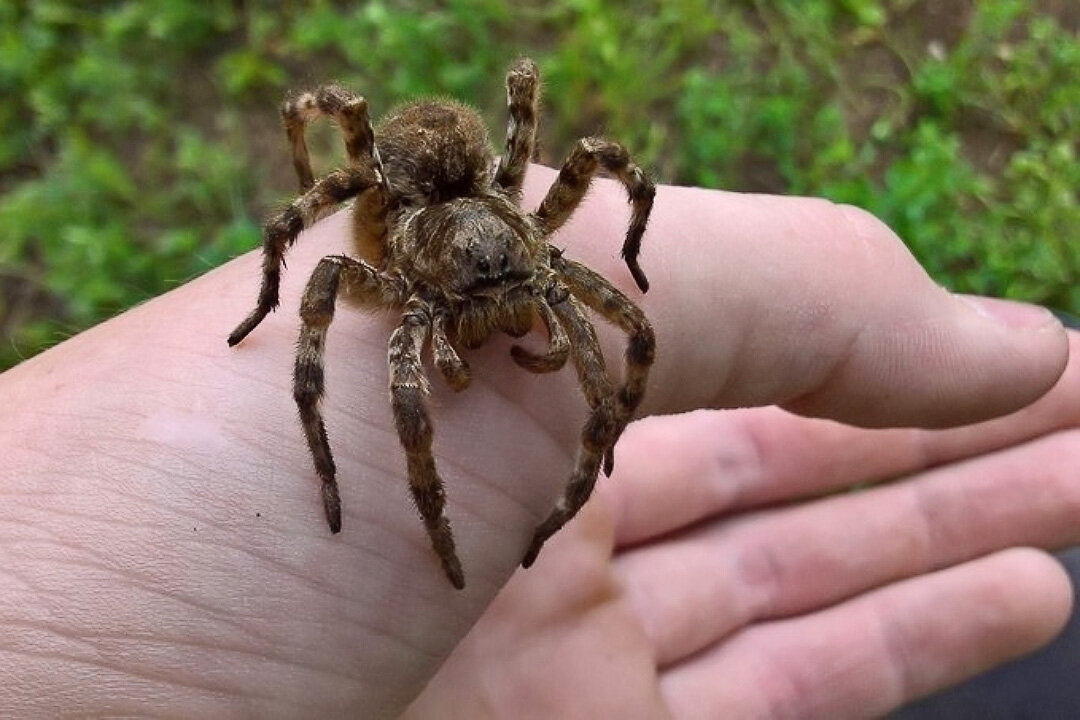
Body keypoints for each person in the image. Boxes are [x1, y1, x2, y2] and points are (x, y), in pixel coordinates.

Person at [0, 166, 1076, 718]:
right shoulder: (389, 273)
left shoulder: (540, 253)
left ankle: (578, 476)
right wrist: (320, 447)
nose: (506, 311)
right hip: (414, 243)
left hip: (488, 232)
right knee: (407, 410)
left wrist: (593, 448)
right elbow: (316, 272)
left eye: (521, 284)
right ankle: (430, 530)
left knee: (632, 332)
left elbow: (631, 317)